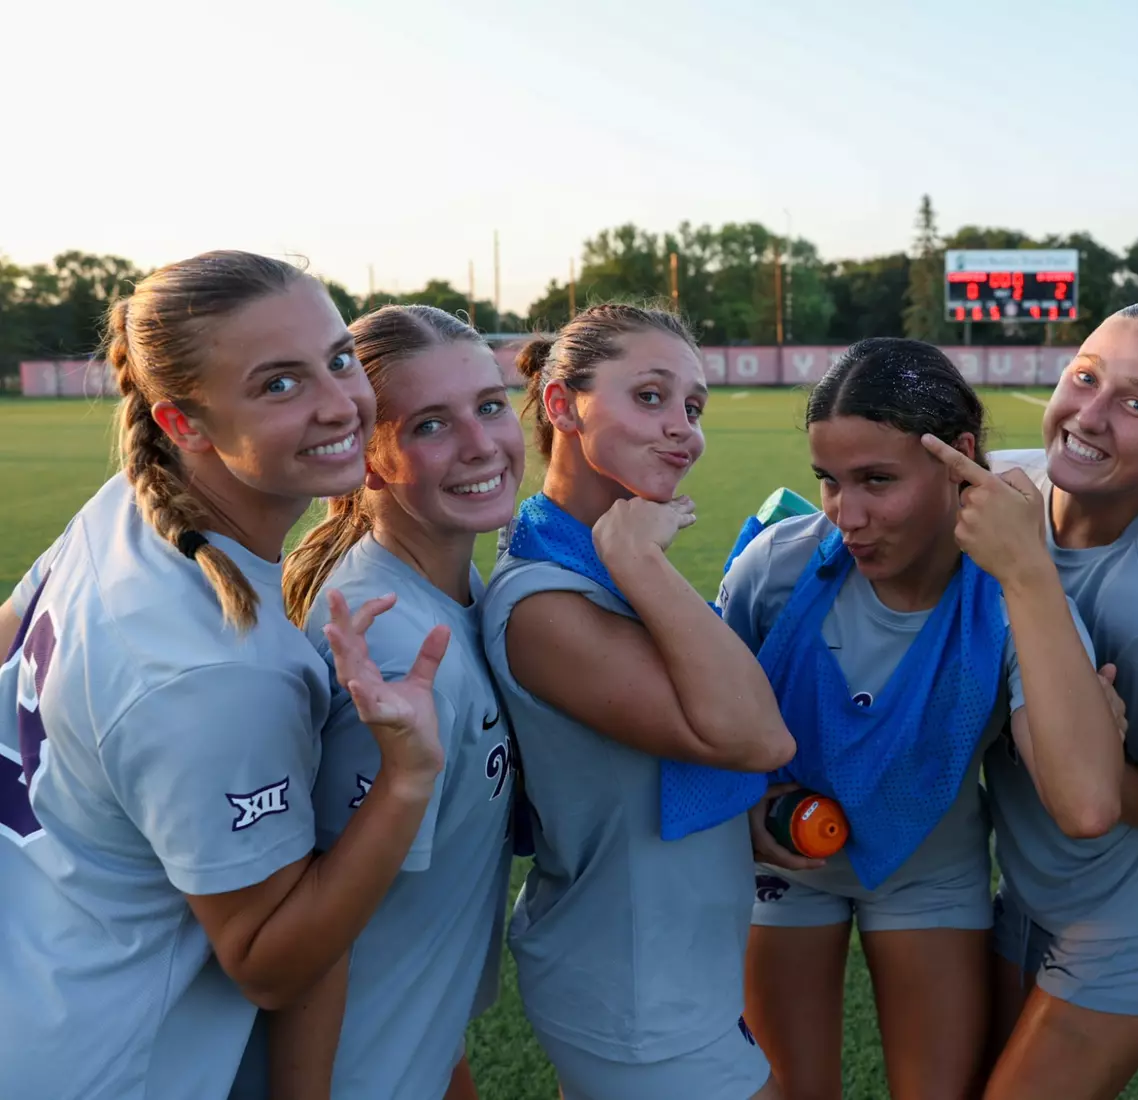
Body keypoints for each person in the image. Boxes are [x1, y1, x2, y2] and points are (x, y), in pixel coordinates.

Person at [0, 251, 450, 1100]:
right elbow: (271, 966)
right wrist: (407, 780)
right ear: (184, 424)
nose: (340, 403)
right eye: (278, 385)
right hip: (108, 1065)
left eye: (338, 358)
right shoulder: (214, 669)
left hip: (38, 990)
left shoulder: (126, 509)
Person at [719, 337, 1127, 1100]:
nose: (848, 515)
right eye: (830, 482)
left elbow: (1087, 804)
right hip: (786, 864)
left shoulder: (1018, 599)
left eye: (877, 480)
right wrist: (746, 811)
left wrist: (1031, 574)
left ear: (956, 456)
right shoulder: (775, 570)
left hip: (929, 870)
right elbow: (705, 733)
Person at [479, 303, 795, 1100]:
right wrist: (641, 560)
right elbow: (757, 738)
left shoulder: (592, 567)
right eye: (649, 397)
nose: (682, 429)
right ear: (562, 406)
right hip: (635, 987)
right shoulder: (548, 601)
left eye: (693, 407)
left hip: (665, 966)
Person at [230, 304, 524, 1099]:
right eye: (431, 425)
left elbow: (414, 919)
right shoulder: (391, 643)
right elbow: (321, 935)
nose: (481, 445)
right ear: (367, 456)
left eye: (491, 406)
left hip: (410, 1054)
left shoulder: (453, 591)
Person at [982, 301, 1138, 1098]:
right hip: (1032, 887)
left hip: (1137, 919)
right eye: (1085, 377)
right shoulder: (1004, 491)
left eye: (1135, 404)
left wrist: (1070, 747)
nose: (1088, 415)